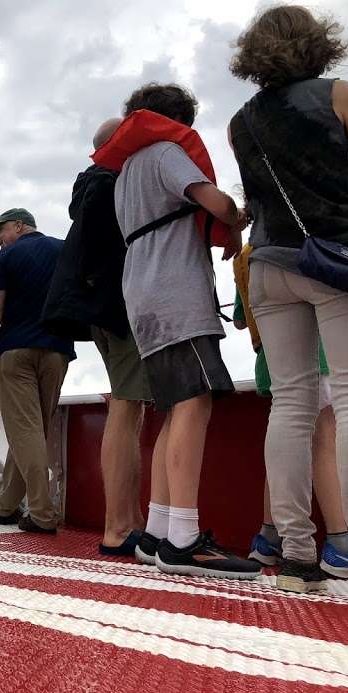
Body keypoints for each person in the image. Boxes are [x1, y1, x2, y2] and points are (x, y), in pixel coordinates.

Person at [228, 4, 348, 603]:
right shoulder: (339, 94)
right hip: (336, 261)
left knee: (291, 406)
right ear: (318, 44)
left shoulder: (240, 121)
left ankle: (297, 557)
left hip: (269, 267)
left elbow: (258, 197)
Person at [113, 82, 258, 579]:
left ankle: (157, 531)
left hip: (142, 294)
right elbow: (214, 202)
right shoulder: (167, 151)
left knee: (175, 408)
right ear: (179, 122)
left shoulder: (126, 170)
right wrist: (239, 215)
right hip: (176, 293)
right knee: (195, 403)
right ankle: (184, 539)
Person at [42, 117, 152, 557]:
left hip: (98, 310)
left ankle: (129, 520)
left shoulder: (91, 186)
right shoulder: (115, 185)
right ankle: (119, 526)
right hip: (121, 306)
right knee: (127, 406)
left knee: (130, 405)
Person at [234, 246, 348, 579]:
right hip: (313, 355)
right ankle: (340, 543)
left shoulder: (248, 253)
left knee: (284, 443)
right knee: (324, 439)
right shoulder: (310, 241)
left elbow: (241, 318)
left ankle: (269, 538)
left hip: (271, 361)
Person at [0, 209, 75, 534]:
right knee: (33, 431)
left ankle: (41, 513)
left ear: (19, 225)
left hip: (16, 350)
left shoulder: (7, 257)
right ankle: (7, 506)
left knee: (24, 431)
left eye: (0, 231)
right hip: (57, 351)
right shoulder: (65, 249)